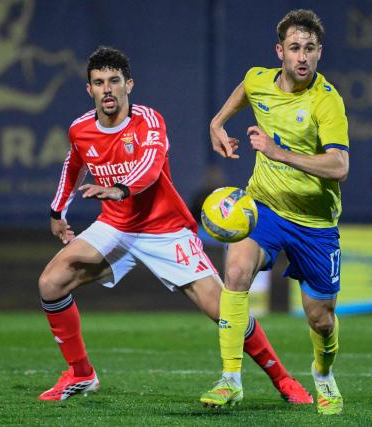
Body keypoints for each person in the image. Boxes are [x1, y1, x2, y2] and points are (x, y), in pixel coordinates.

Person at [37, 46, 312, 404]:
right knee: (51, 282)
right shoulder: (80, 129)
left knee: (221, 309)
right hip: (116, 226)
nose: (107, 89)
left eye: (114, 81)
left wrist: (119, 189)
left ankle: (283, 380)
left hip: (165, 229)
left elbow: (150, 169)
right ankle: (80, 374)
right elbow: (73, 165)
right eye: (99, 82)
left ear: (128, 85)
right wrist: (58, 211)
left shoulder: (149, 121)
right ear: (89, 89)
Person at [199, 10, 349, 415]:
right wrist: (217, 122)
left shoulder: (326, 101)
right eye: (295, 48)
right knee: (234, 272)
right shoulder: (259, 79)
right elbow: (247, 90)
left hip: (315, 224)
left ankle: (322, 373)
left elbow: (339, 166)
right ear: (279, 51)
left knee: (321, 320)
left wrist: (277, 151)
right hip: (264, 207)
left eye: (310, 49)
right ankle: (230, 379)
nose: (303, 57)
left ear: (320, 53)